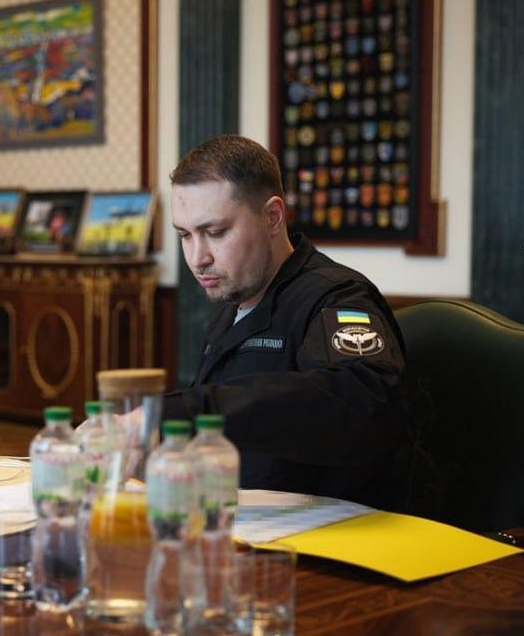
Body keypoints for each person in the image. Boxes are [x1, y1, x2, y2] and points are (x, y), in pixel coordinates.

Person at [163, 135, 406, 505]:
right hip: (237, 517)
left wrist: (191, 411)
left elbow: (362, 403)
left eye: (215, 233)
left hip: (329, 529)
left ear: (273, 217)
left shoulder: (335, 298)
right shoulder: (231, 308)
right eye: (185, 235)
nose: (198, 258)